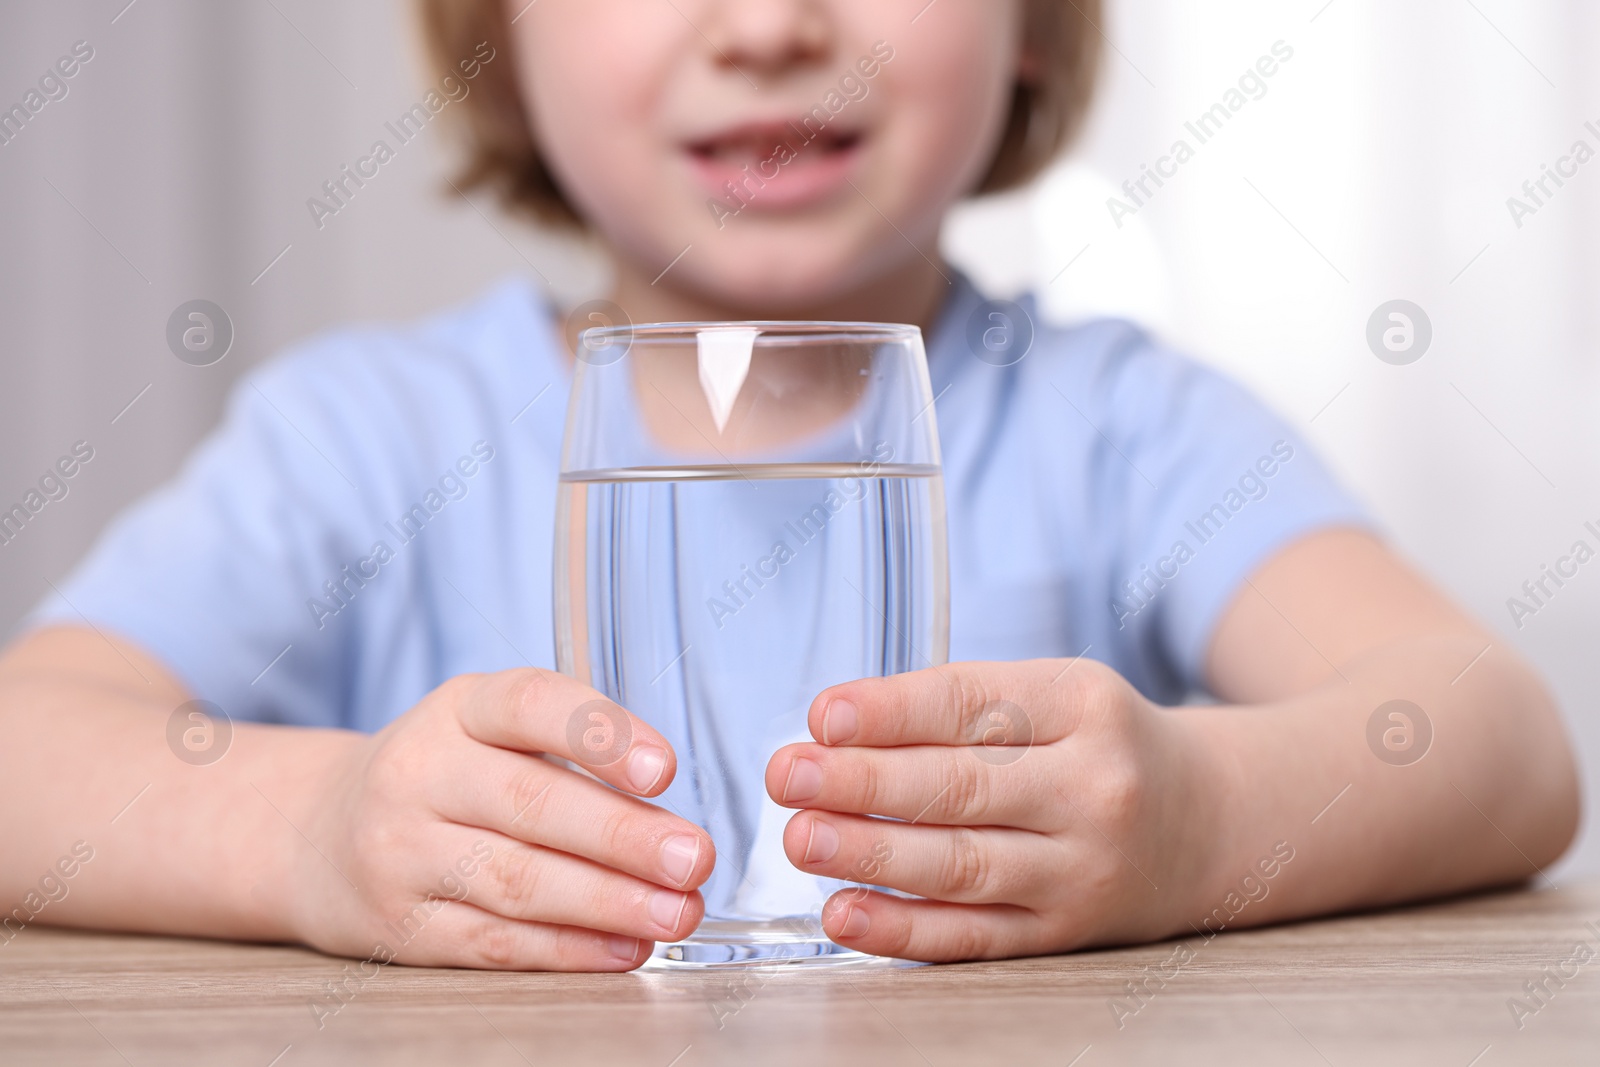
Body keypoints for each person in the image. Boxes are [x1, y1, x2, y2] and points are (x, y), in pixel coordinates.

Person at [0, 0, 1578, 971]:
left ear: (1033, 20)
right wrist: (314, 834)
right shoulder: (366, 438)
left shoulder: (1121, 425)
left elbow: (1496, 739)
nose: (767, 21)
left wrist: (1200, 827)